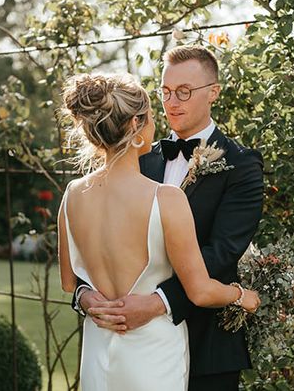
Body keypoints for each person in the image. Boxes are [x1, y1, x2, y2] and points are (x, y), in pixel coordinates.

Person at [74, 46, 265, 391]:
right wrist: (87, 296)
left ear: (213, 93)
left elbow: (222, 252)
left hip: (206, 345)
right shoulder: (139, 156)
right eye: (164, 92)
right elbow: (97, 244)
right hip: (125, 343)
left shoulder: (242, 165)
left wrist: (157, 302)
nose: (171, 102)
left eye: (183, 92)